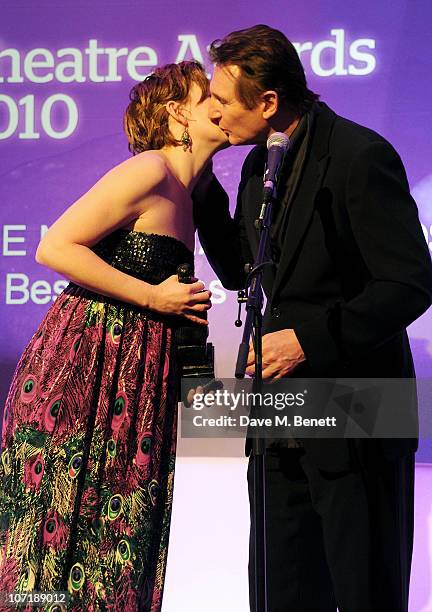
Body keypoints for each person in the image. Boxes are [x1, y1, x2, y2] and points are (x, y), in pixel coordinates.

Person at [193, 25, 432, 612]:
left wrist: (308, 343)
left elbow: (409, 283)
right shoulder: (255, 169)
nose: (214, 112)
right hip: (279, 419)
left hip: (358, 414)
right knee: (281, 591)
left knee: (362, 593)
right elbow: (243, 275)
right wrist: (200, 188)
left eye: (223, 99)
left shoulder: (359, 155)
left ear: (268, 102)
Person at [0, 60, 228, 611]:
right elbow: (54, 247)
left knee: (118, 532)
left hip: (138, 374)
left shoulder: (197, 195)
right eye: (208, 99)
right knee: (57, 526)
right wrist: (155, 297)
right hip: (83, 369)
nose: (222, 107)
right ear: (177, 114)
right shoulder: (150, 169)